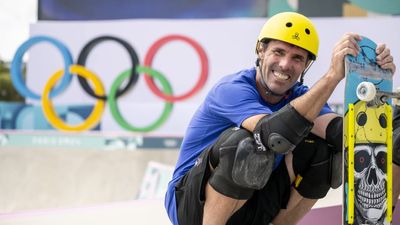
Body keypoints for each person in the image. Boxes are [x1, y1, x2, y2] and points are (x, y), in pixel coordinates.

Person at [164, 12, 397, 225]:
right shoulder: (231, 89)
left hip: (250, 205)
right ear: (261, 51)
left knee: (323, 152)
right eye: (278, 52)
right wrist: (333, 76)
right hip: (192, 207)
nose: (285, 64)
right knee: (246, 144)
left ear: (306, 65)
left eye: (297, 58)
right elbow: (274, 135)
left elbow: (345, 136)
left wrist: (374, 82)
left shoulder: (301, 97)